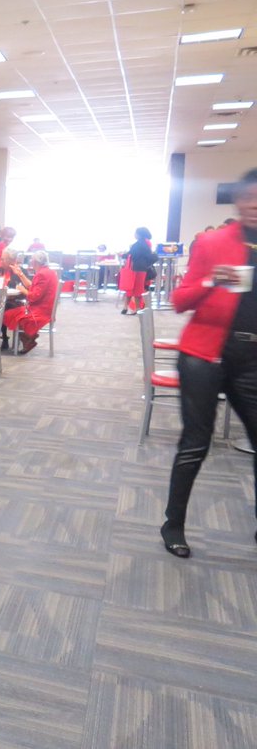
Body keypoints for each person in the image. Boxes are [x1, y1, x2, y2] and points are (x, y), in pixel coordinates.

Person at [159, 168, 257, 559]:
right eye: (250, 197)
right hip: (204, 355)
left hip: (251, 362)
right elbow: (180, 300)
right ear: (238, 200)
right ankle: (174, 523)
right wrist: (210, 281)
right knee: (195, 444)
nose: (255, 205)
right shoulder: (213, 242)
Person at [5, 249, 58, 354]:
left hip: (40, 311)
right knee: (11, 313)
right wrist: (20, 274)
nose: (30, 262)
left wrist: (22, 290)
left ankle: (28, 339)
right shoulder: (48, 272)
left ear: (35, 262)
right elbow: (32, 286)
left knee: (8, 314)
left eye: (32, 260)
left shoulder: (42, 274)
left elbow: (33, 296)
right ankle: (28, 338)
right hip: (45, 308)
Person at [121, 226, 157, 315]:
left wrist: (123, 255)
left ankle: (129, 307)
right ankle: (135, 308)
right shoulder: (146, 244)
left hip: (134, 269)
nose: (134, 234)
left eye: (135, 233)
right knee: (137, 289)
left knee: (131, 288)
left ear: (139, 234)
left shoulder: (138, 244)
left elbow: (132, 254)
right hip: (142, 269)